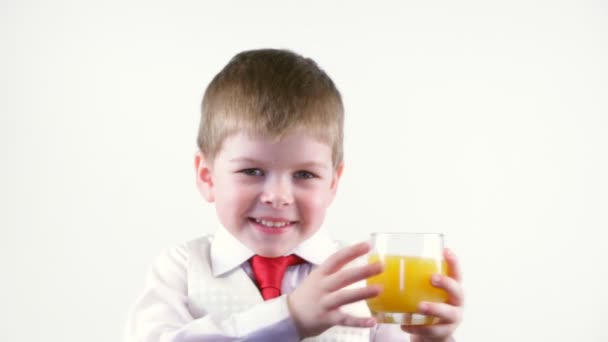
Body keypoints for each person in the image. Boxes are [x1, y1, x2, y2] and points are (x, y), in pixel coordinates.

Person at [125, 48, 464, 342]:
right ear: (206, 176)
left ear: (333, 183)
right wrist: (290, 316)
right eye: (252, 171)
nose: (277, 196)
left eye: (305, 174)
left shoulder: (365, 278)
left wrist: (430, 340)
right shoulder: (180, 269)